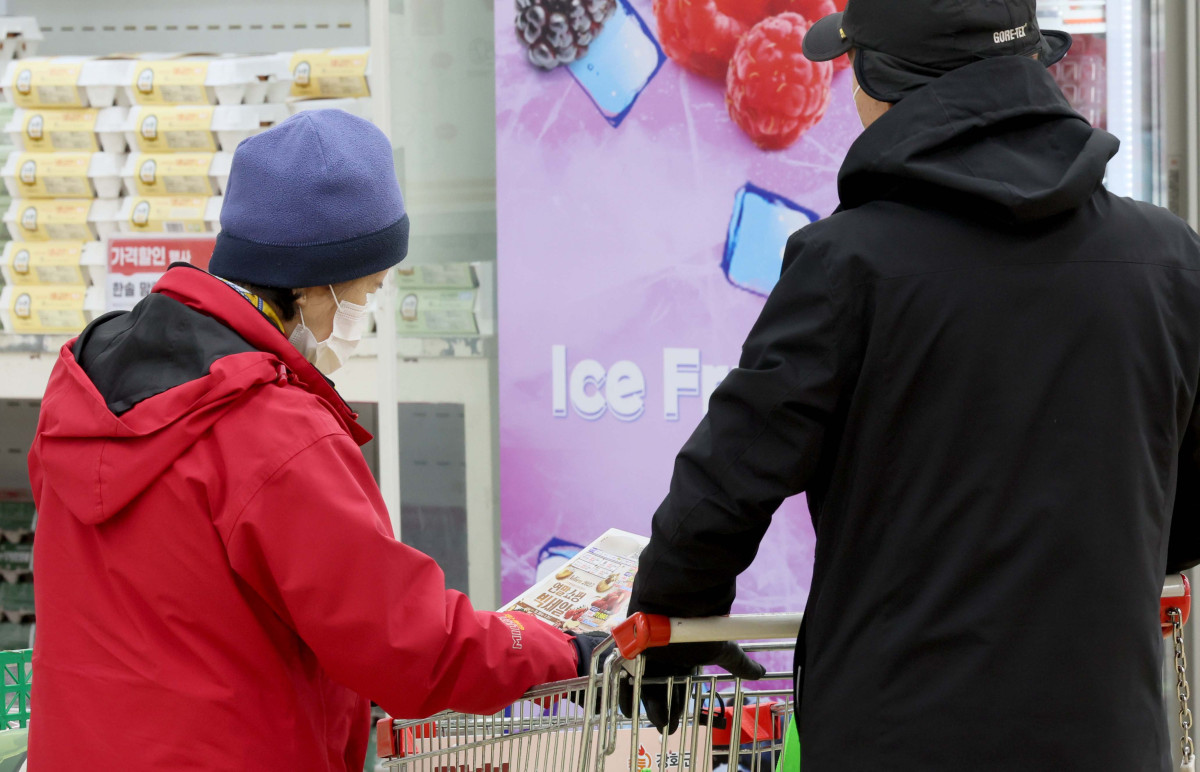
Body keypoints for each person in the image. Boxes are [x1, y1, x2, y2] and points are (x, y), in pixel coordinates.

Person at [627, 1, 1200, 769]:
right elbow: (1182, 517)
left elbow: (724, 486)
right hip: (1105, 737)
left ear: (883, 80)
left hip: (897, 735)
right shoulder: (1168, 260)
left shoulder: (846, 265)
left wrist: (672, 625)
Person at [26, 110, 591, 771]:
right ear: (313, 283)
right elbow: (403, 643)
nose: (365, 315)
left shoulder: (85, 386)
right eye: (369, 290)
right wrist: (566, 653)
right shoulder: (273, 435)